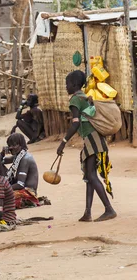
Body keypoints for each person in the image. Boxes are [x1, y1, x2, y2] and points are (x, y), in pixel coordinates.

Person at [57, 70, 117, 222]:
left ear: (75, 84)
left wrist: (63, 143)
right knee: (90, 176)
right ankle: (87, 213)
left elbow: (75, 124)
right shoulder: (85, 97)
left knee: (91, 175)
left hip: (91, 140)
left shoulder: (75, 100)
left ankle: (109, 209)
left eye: (67, 84)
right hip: (96, 139)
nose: (66, 86)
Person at [2, 133, 41, 209]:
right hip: (21, 189)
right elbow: (0, 162)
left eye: (13, 145)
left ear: (20, 145)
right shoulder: (19, 156)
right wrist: (2, 154)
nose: (11, 148)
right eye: (9, 146)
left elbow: (20, 185)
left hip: (28, 193)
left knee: (0, 199)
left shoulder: (25, 159)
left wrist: (2, 188)